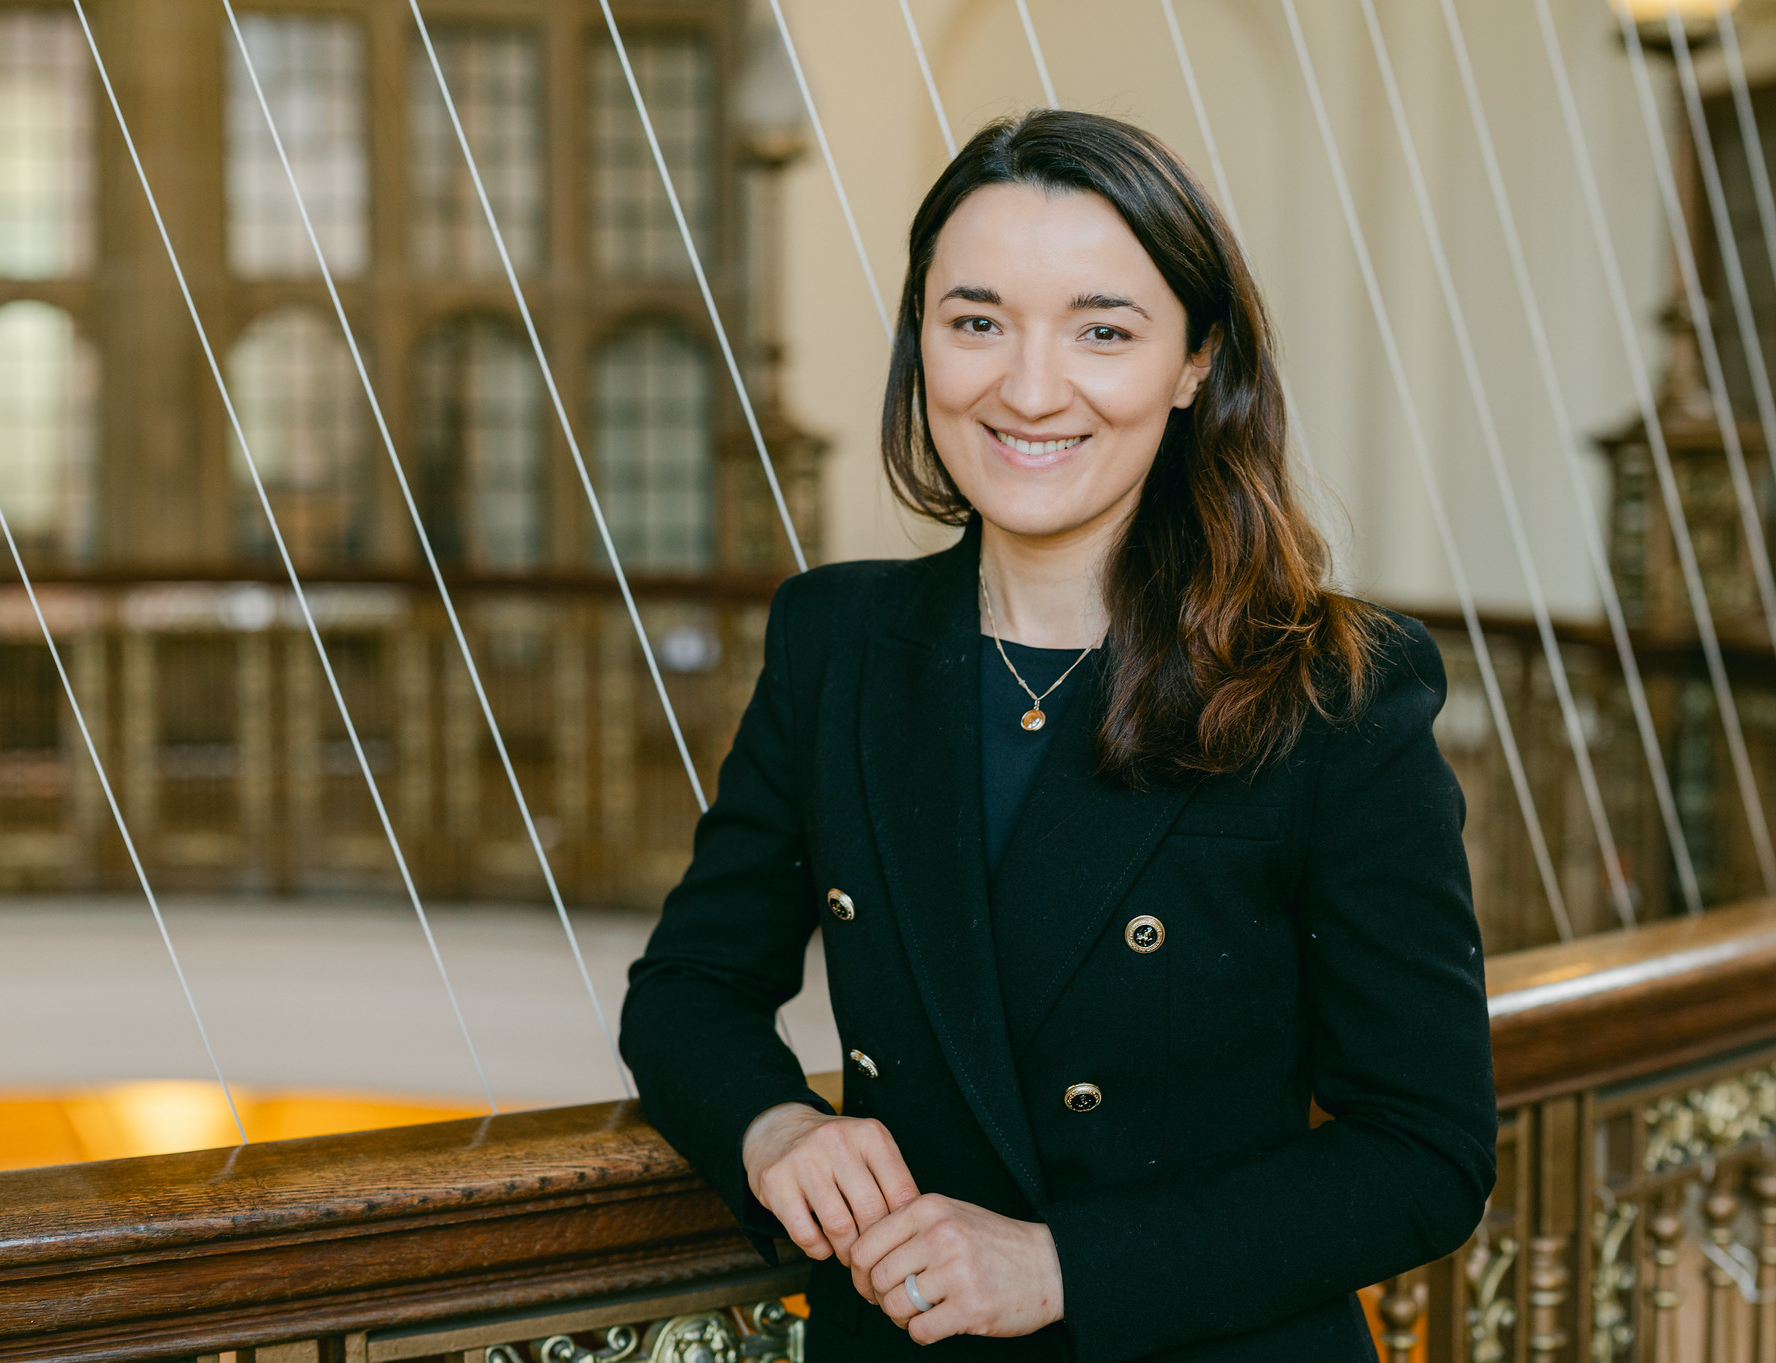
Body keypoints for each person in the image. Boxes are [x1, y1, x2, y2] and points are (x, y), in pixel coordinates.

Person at [620, 109, 1495, 1362]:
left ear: (1194, 362)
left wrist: (1060, 1264)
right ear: (918, 340)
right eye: (975, 321)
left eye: (1102, 330)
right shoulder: (834, 642)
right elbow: (689, 988)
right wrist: (772, 1128)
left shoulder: (1332, 690)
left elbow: (1425, 1150)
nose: (1028, 388)